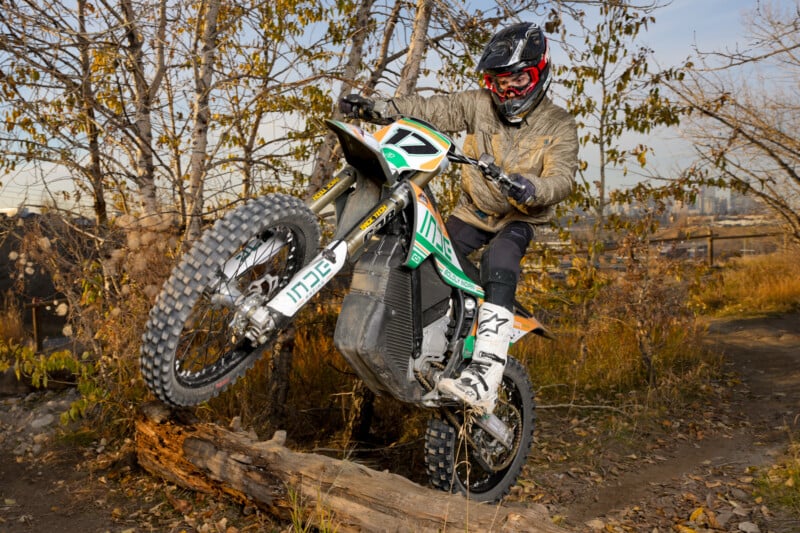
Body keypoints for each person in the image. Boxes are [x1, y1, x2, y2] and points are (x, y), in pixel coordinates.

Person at [339, 22, 579, 413]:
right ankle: (428, 348)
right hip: (472, 211)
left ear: (539, 72)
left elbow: (562, 177)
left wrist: (534, 188)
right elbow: (432, 109)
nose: (507, 90)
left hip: (519, 217)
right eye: (498, 81)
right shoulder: (478, 104)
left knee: (497, 260)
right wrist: (379, 107)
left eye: (517, 79)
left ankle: (486, 372)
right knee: (426, 257)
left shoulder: (559, 124)